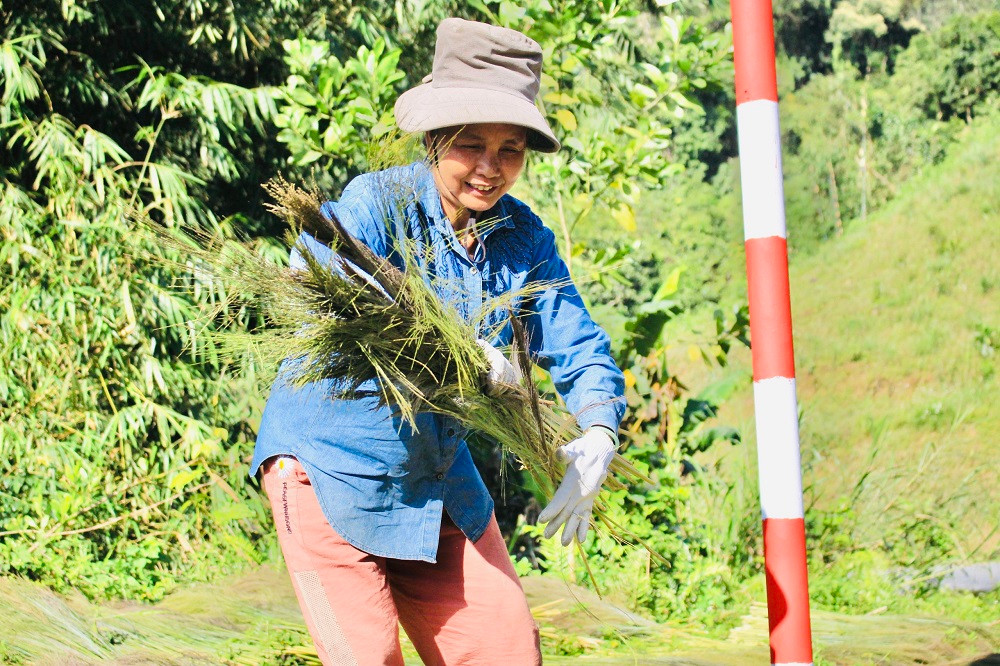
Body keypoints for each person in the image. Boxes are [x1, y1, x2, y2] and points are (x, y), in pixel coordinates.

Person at [251, 17, 625, 666]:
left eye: (510, 149)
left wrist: (599, 430)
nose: (489, 168)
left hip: (438, 476)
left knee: (506, 648)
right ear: (432, 138)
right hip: (329, 469)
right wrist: (452, 348)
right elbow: (316, 273)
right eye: (470, 144)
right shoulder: (377, 202)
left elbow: (578, 340)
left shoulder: (523, 237)